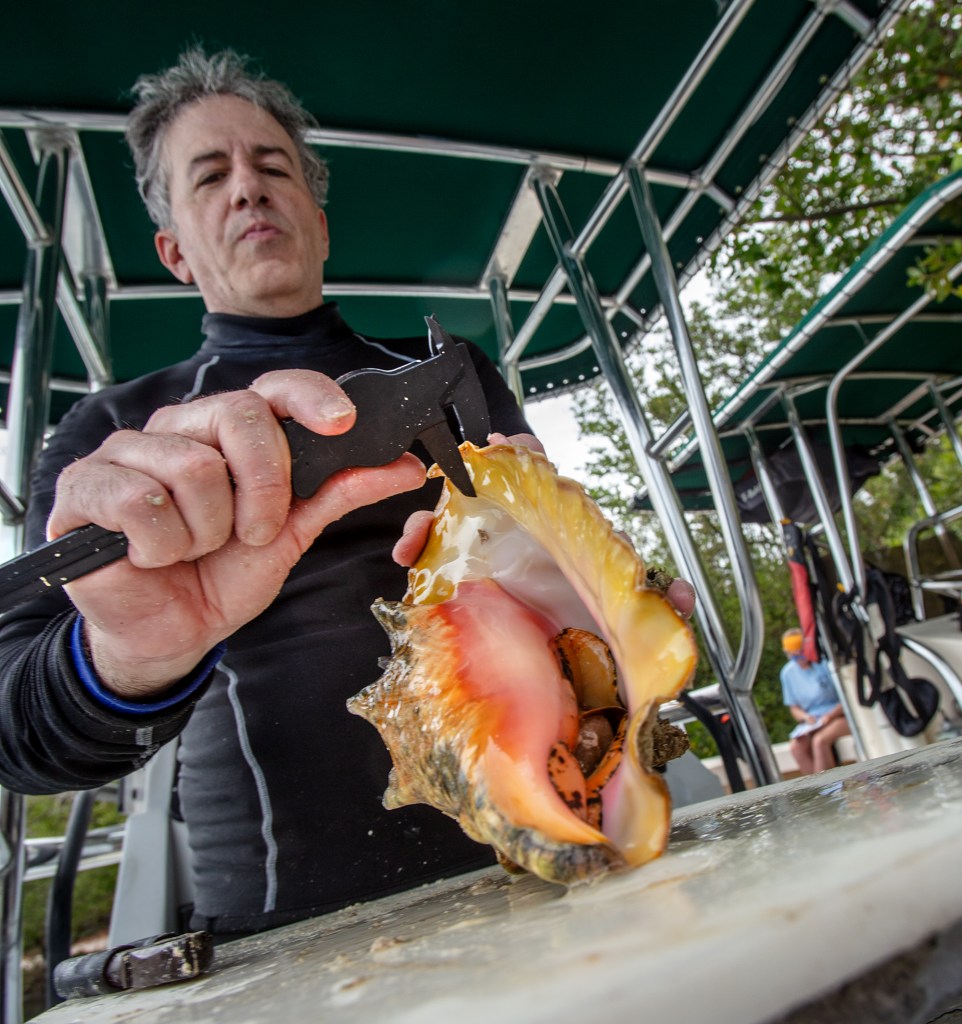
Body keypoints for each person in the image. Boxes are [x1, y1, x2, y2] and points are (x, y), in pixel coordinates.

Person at [0, 48, 693, 939]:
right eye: (211, 176)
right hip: (285, 908)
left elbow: (548, 572)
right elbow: (18, 738)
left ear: (320, 224)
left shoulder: (453, 369)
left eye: (272, 165)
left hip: (546, 846)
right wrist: (131, 655)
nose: (249, 189)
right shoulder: (116, 435)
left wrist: (613, 610)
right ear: (173, 250)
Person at [779, 628, 850, 775]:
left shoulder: (822, 664)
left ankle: (828, 788)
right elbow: (794, 708)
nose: (799, 658)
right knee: (796, 747)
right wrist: (805, 718)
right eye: (794, 655)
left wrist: (829, 716)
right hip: (813, 721)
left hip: (838, 715)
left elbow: (846, 697)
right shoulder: (787, 673)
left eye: (801, 652)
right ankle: (817, 791)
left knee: (819, 742)